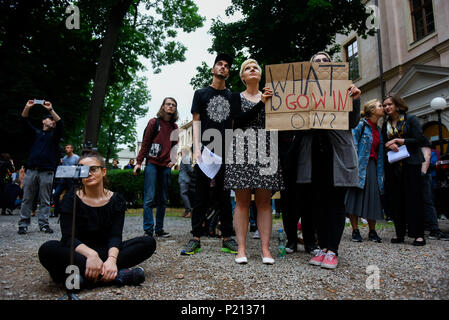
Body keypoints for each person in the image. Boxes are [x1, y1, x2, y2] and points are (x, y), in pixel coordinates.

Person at [38, 153, 155, 289]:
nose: (88, 174)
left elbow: (115, 236)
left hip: (106, 252)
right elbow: (69, 238)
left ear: (103, 171)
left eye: (93, 169)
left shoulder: (116, 200)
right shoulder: (71, 198)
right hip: (80, 252)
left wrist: (111, 260)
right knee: (47, 249)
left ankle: (83, 278)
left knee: (148, 242)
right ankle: (115, 276)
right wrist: (91, 255)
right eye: (83, 170)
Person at [295, 52, 362, 269]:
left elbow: (352, 122)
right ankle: (323, 247)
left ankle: (333, 249)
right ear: (310, 67)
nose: (322, 63)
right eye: (317, 61)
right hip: (314, 155)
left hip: (336, 155)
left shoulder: (345, 88)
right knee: (318, 204)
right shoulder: (301, 91)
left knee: (334, 203)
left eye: (326, 60)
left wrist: (355, 99)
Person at [224, 58, 283, 265]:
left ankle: (265, 249)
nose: (252, 70)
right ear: (242, 77)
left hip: (266, 148)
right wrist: (261, 103)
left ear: (260, 74)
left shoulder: (272, 96)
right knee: (241, 202)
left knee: (264, 202)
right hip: (241, 148)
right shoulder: (234, 97)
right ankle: (241, 248)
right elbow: (238, 121)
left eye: (255, 67)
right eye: (247, 68)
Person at [181, 53, 238, 256]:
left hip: (224, 151)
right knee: (200, 197)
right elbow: (196, 121)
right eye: (219, 64)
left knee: (224, 197)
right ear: (213, 69)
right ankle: (195, 237)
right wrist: (197, 147)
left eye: (226, 66)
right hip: (205, 151)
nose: (223, 67)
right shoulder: (201, 93)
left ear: (228, 72)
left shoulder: (233, 97)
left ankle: (227, 238)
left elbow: (231, 124)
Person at [382, 94, 427, 246]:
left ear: (397, 105)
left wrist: (400, 141)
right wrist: (389, 144)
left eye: (389, 104)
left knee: (414, 199)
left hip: (411, 164)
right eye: (385, 105)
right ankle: (399, 233)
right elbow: (383, 143)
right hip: (394, 166)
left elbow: (421, 139)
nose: (387, 107)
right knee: (396, 200)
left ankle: (418, 235)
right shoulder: (385, 124)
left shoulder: (411, 119)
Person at [134, 97, 179, 238]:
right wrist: (139, 163)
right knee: (149, 198)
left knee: (163, 199)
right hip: (152, 164)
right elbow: (145, 143)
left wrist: (173, 159)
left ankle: (159, 229)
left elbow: (175, 146)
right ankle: (148, 229)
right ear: (163, 107)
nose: (171, 107)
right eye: (168, 104)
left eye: (173, 105)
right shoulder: (154, 122)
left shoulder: (175, 127)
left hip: (165, 166)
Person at [18, 100, 63, 235]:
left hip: (47, 171)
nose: (53, 121)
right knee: (27, 198)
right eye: (50, 120)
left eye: (53, 120)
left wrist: (50, 109)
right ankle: (23, 224)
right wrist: (27, 107)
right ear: (44, 121)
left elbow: (60, 123)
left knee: (45, 199)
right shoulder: (36, 134)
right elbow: (24, 121)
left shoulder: (55, 136)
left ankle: (44, 224)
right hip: (32, 170)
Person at [345, 99, 385, 243]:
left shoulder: (378, 129)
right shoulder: (361, 125)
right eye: (380, 106)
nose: (383, 108)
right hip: (360, 166)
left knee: (373, 198)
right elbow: (352, 144)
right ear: (372, 111)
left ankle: (372, 231)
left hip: (373, 166)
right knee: (355, 198)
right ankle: (355, 230)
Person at [421, 138, 449, 240]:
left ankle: (433, 228)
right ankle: (429, 226)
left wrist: (423, 172)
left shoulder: (431, 151)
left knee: (428, 201)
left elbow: (431, 161)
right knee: (428, 201)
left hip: (429, 176)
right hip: (430, 176)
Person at [51, 144, 80, 218]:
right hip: (63, 179)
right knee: (56, 194)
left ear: (72, 149)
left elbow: (79, 168)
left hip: (72, 180)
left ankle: (72, 211)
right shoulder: (64, 158)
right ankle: (56, 212)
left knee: (73, 195)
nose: (66, 149)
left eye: (68, 147)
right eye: (66, 147)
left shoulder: (76, 158)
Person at [178, 147, 193, 218]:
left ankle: (189, 211)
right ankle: (187, 211)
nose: (180, 152)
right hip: (184, 179)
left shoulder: (186, 158)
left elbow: (190, 170)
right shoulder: (185, 158)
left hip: (184, 180)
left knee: (184, 195)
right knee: (184, 195)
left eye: (181, 151)